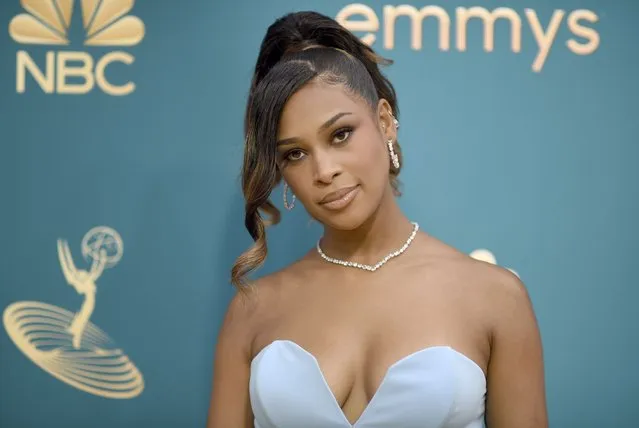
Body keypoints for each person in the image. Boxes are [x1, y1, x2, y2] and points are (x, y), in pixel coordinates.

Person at [206, 10, 548, 428]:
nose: (323, 170)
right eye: (295, 153)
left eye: (340, 134)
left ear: (384, 122)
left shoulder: (497, 297)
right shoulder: (251, 310)